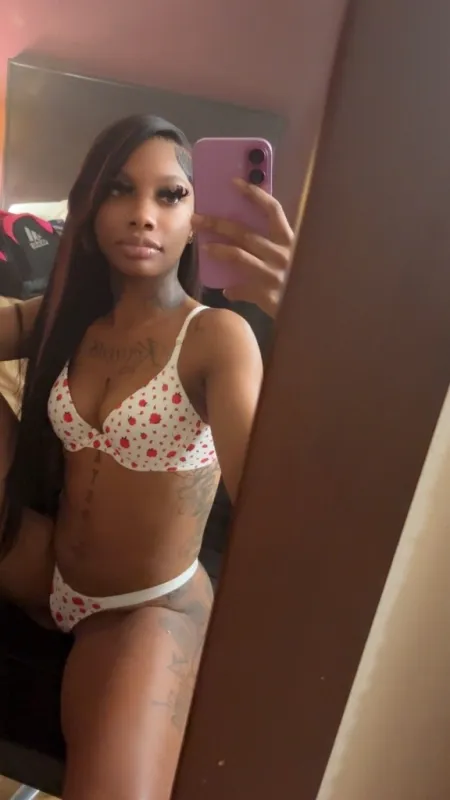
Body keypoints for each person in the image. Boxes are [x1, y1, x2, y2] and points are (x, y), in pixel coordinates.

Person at [0, 114, 294, 799]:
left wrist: (303, 318)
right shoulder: (65, 318)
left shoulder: (217, 336)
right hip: (40, 567)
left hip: (140, 609)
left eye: (171, 194)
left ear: (196, 220)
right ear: (88, 212)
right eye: (119, 190)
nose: (142, 214)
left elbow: (268, 499)